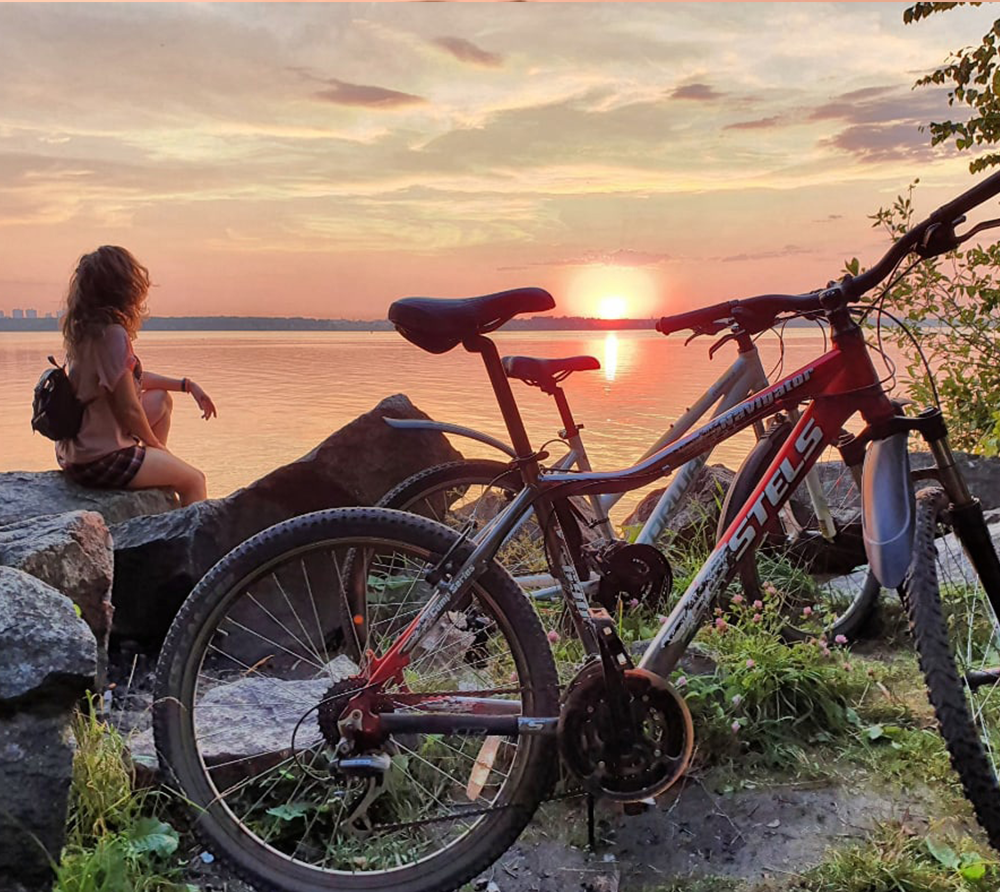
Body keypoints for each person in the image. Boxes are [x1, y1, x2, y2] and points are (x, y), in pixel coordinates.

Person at [55, 245, 217, 506]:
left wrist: (187, 386)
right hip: (100, 458)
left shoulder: (83, 333)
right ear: (123, 287)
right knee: (195, 480)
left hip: (76, 452)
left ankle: (156, 475)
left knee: (161, 400)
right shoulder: (112, 335)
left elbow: (129, 381)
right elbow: (129, 408)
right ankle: (193, 544)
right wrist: (155, 446)